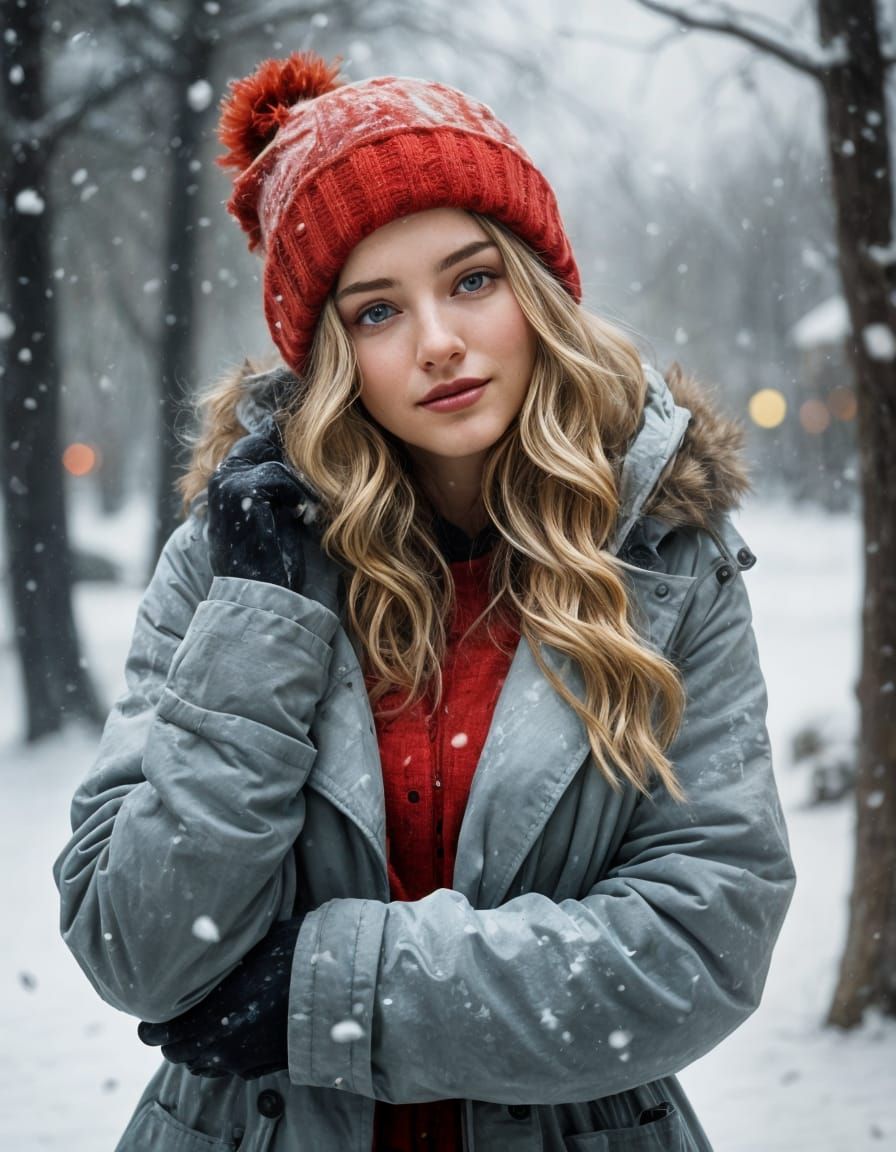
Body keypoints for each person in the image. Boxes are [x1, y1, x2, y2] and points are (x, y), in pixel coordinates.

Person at [54, 50, 795, 1152]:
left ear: (536, 290)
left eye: (471, 280)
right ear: (327, 353)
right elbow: (137, 944)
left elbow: (700, 940)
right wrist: (261, 614)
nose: (439, 341)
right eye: (375, 310)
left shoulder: (663, 557)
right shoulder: (235, 558)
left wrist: (327, 994)